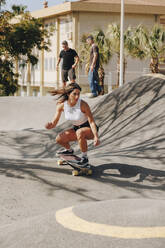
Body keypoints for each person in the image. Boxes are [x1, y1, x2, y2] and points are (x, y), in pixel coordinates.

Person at [45, 83, 100, 167]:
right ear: (68, 94)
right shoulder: (62, 105)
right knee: (59, 139)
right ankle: (69, 150)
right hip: (76, 129)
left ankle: (84, 158)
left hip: (89, 130)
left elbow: (92, 122)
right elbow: (54, 123)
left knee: (80, 132)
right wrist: (50, 125)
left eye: (78, 94)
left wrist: (96, 136)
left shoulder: (83, 105)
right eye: (74, 94)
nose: (77, 96)